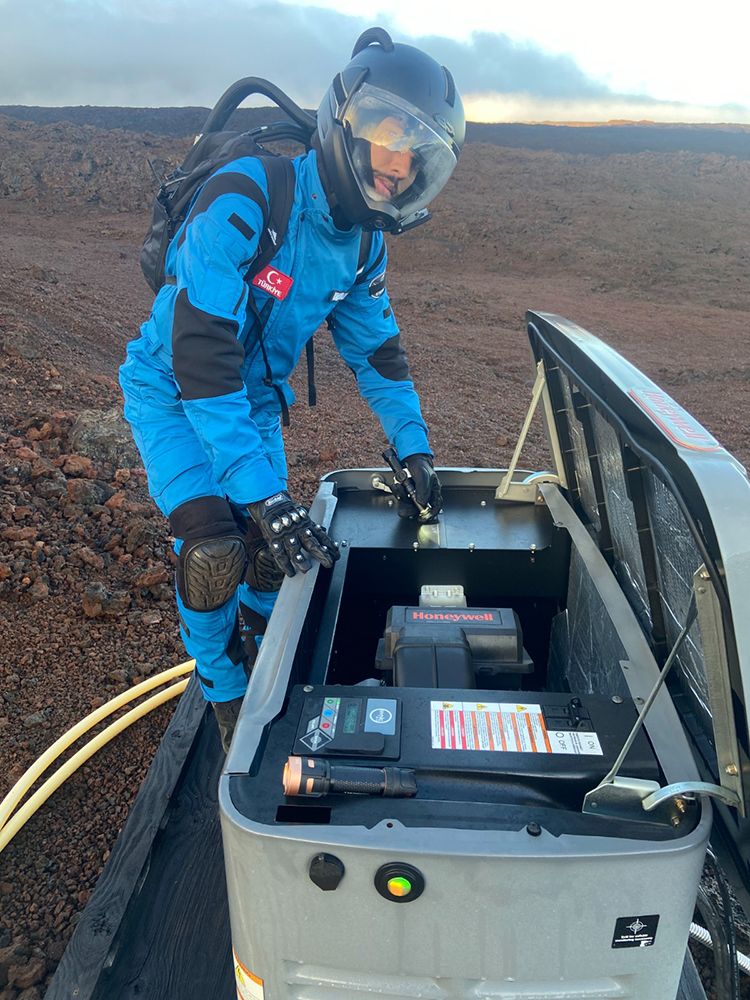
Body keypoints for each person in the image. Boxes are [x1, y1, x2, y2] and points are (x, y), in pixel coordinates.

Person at [119, 27, 466, 752]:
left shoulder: (363, 244)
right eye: (385, 142)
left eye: (414, 156)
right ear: (346, 126)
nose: (397, 170)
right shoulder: (247, 196)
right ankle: (224, 688)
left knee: (277, 551)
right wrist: (260, 493)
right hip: (175, 391)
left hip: (250, 402)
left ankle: (260, 633)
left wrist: (416, 450)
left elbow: (380, 354)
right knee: (215, 545)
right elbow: (202, 349)